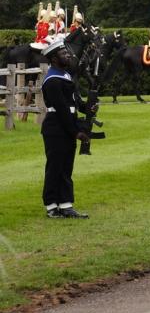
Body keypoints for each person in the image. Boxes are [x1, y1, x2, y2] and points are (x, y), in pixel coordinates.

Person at [40, 40, 92, 218]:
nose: (68, 55)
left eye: (67, 53)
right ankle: (51, 206)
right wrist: (75, 131)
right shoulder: (52, 80)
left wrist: (87, 107)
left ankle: (66, 204)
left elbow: (74, 101)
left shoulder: (66, 75)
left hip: (67, 124)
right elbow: (61, 109)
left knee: (66, 167)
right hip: (56, 127)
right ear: (54, 59)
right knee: (55, 167)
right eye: (63, 54)